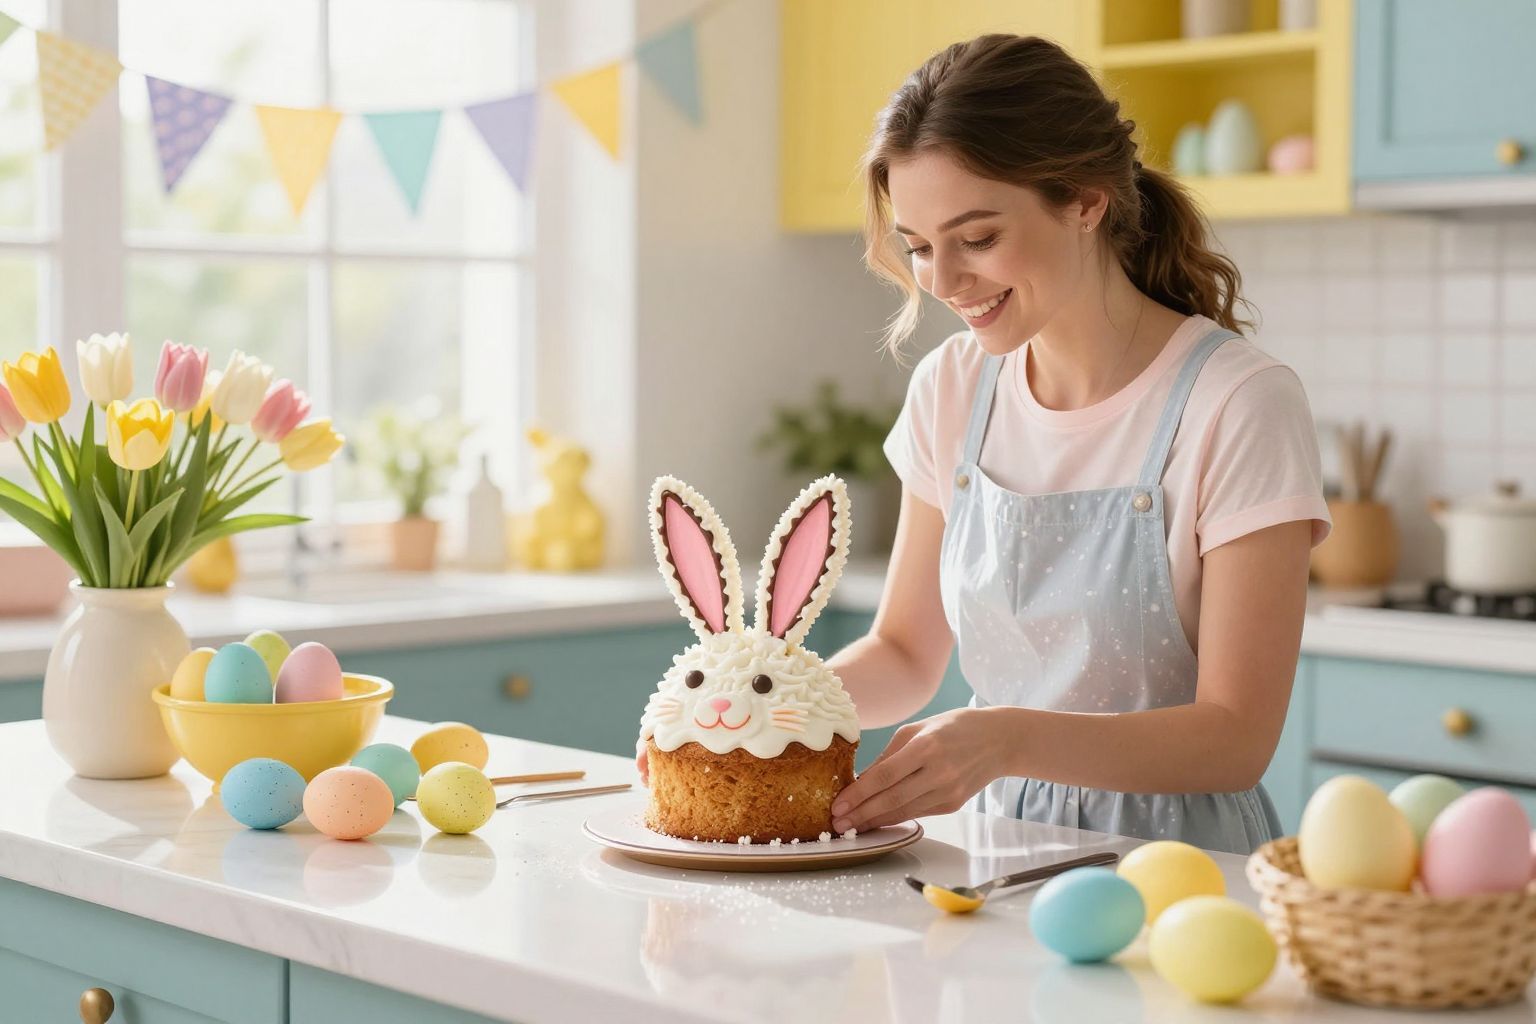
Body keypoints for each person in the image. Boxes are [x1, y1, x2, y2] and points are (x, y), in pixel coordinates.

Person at [821, 34, 1330, 856]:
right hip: (990, 849)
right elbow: (907, 652)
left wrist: (1008, 739)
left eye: (977, 238)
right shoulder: (952, 388)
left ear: (1085, 200)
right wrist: (766, 704)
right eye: (918, 246)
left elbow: (1237, 736)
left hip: (1178, 871)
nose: (943, 282)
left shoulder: (1237, 403)